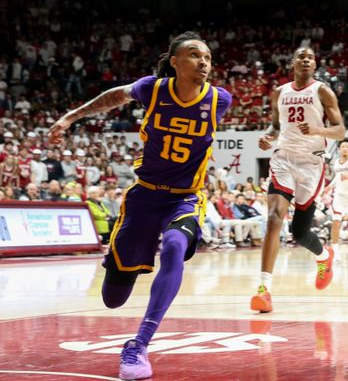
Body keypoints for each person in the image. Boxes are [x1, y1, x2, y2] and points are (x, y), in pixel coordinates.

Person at [47, 31, 232, 380]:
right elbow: (113, 97)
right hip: (143, 198)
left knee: (176, 247)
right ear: (174, 62)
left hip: (185, 198)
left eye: (207, 57)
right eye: (194, 55)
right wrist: (72, 116)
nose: (203, 62)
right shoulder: (153, 89)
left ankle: (139, 344)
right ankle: (125, 269)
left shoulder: (219, 99)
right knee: (112, 298)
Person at [250, 47, 345, 314]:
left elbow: (340, 130)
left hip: (311, 162)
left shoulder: (322, 91)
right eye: (300, 56)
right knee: (273, 217)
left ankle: (325, 256)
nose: (305, 60)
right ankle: (263, 289)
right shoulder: (279, 92)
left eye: (310, 57)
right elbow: (275, 126)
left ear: (315, 64)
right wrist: (268, 136)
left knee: (299, 233)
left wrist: (317, 129)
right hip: (283, 157)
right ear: (292, 63)